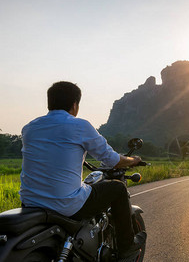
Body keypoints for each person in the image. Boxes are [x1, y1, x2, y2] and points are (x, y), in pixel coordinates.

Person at [20, 81, 145, 261]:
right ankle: (127, 247)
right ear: (74, 105)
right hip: (66, 204)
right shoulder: (79, 126)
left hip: (30, 203)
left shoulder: (29, 128)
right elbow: (111, 159)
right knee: (117, 188)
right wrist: (133, 161)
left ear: (50, 103)